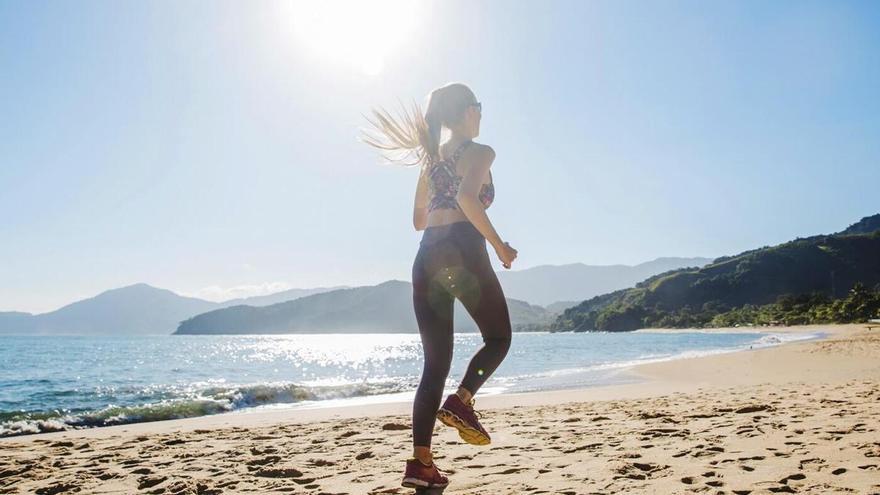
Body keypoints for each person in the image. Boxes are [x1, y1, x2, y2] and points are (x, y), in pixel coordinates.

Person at [362, 82, 518, 490]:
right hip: (463, 252)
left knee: (434, 366)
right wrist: (500, 245)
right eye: (479, 106)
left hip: (426, 256)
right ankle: (462, 402)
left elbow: (417, 219)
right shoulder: (480, 152)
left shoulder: (430, 161)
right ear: (467, 112)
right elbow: (468, 199)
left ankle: (421, 464)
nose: (482, 114)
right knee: (499, 337)